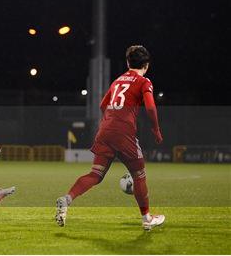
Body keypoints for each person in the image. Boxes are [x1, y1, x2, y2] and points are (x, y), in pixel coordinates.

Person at [55, 45, 165, 231]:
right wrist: (155, 129)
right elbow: (151, 107)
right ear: (146, 65)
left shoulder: (117, 81)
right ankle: (147, 219)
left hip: (105, 131)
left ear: (128, 63)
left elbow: (102, 105)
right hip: (123, 133)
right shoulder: (144, 81)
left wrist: (112, 120)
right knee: (139, 175)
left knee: (95, 174)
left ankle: (66, 199)